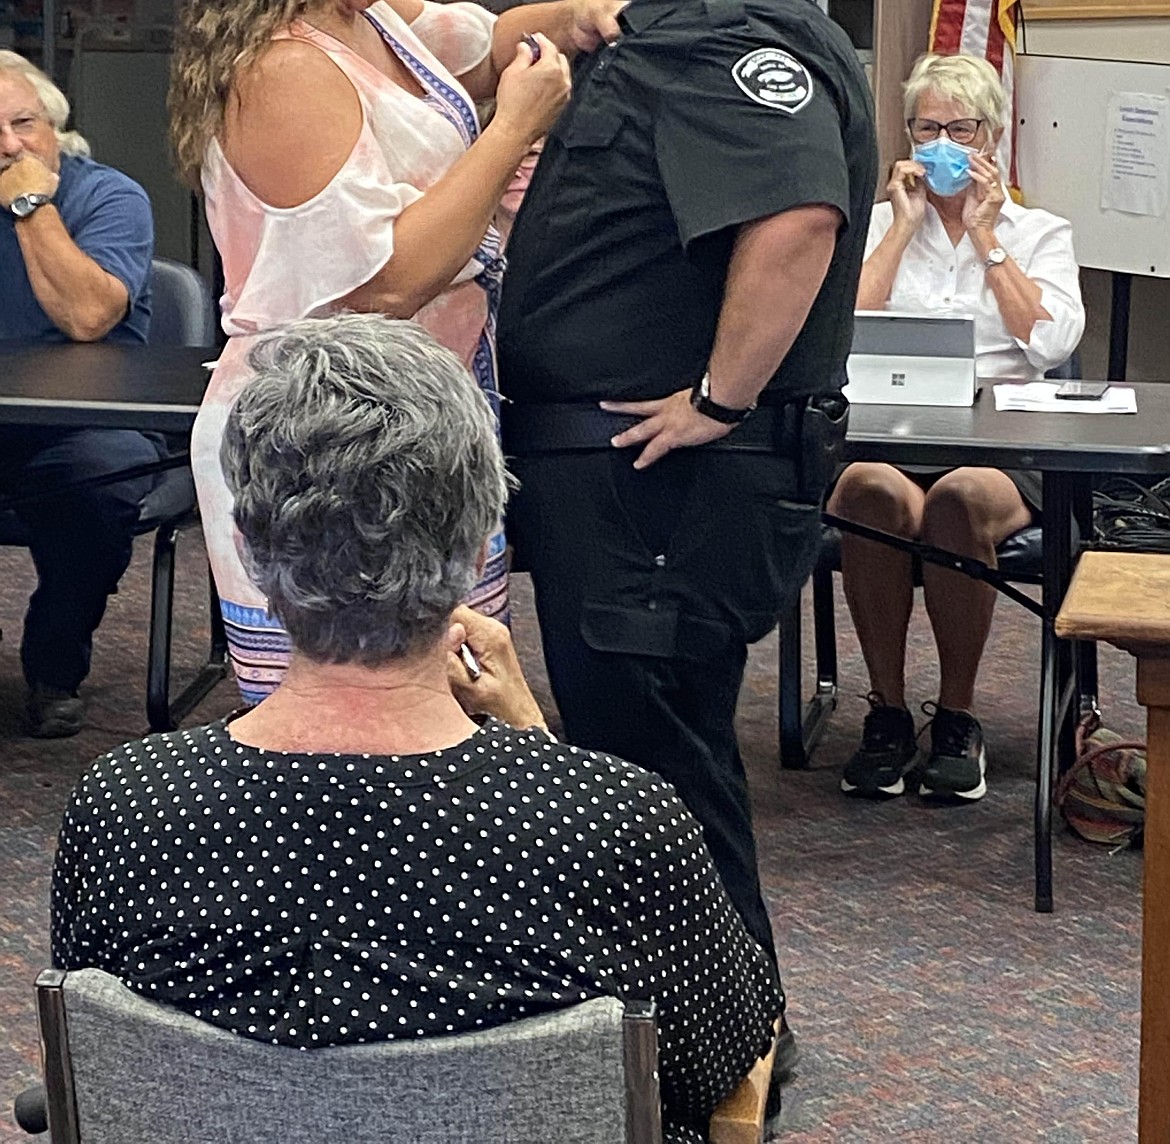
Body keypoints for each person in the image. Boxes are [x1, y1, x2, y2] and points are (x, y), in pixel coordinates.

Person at [51, 316, 783, 1144]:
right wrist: (536, 745)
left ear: (250, 547)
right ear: (478, 545)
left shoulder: (126, 808)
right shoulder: (613, 824)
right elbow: (729, 1056)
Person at [496, 0, 878, 997]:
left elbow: (797, 220)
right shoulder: (677, 30)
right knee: (652, 755)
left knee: (655, 772)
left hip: (661, 480)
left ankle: (730, 1039)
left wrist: (716, 398)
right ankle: (701, 1031)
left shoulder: (734, 42)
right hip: (621, 478)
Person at [168, 0, 620, 706]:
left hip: (418, 419)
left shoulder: (367, 15)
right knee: (344, 717)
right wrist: (512, 131)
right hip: (317, 437)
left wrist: (578, 13)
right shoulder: (284, 67)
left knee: (448, 692)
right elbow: (389, 281)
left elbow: (484, 40)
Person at [831, 52, 1085, 803]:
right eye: (926, 126)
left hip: (1002, 447)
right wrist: (903, 231)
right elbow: (838, 328)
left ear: (991, 138)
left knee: (959, 502)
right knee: (870, 495)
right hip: (891, 432)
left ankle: (958, 718)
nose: (941, 141)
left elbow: (1049, 342)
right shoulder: (877, 224)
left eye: (960, 128)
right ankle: (885, 711)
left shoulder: (1041, 231)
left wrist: (985, 236)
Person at [0, 50, 160, 737]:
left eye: (23, 123)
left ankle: (55, 661)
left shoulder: (109, 197)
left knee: (100, 482)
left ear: (54, 126)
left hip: (84, 422)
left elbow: (88, 317)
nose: (9, 145)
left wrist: (31, 205)